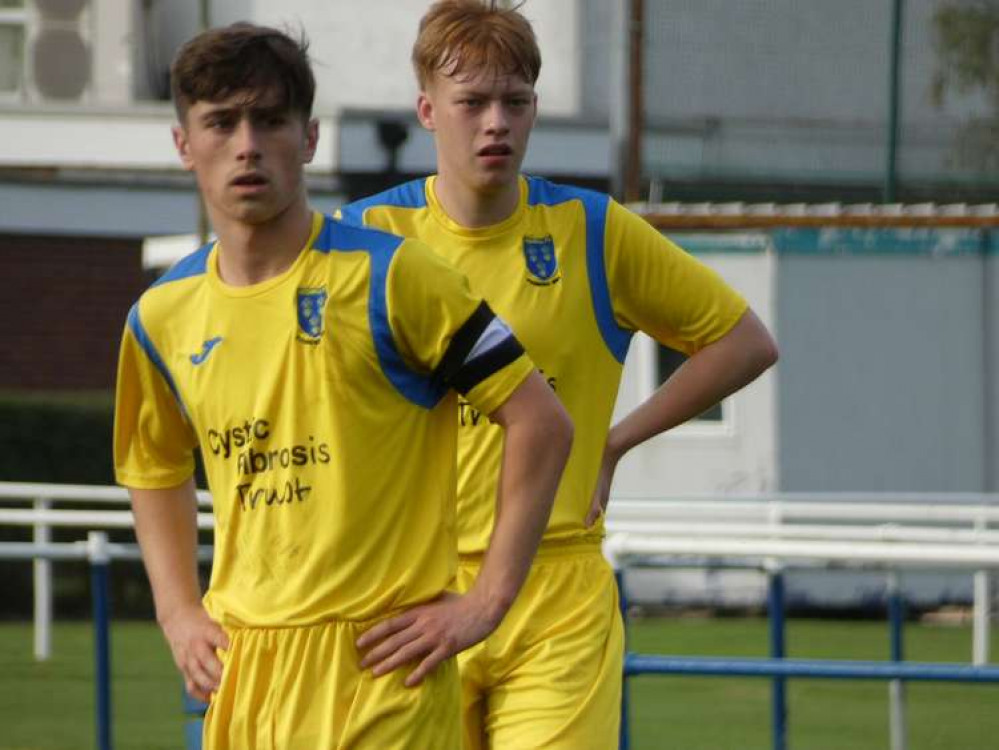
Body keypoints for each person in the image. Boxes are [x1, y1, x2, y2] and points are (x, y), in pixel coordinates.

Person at [113, 22, 573, 750]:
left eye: (269, 120)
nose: (246, 145)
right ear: (182, 144)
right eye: (220, 123)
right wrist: (177, 611)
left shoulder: (396, 279)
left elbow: (541, 421)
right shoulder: (161, 317)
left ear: (309, 138)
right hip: (245, 671)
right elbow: (153, 465)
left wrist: (487, 600)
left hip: (380, 667)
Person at [337, 2, 779, 747]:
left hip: (556, 590)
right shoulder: (361, 239)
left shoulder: (592, 230)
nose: (495, 123)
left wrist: (611, 442)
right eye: (471, 103)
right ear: (426, 110)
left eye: (514, 102)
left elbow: (743, 341)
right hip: (405, 592)